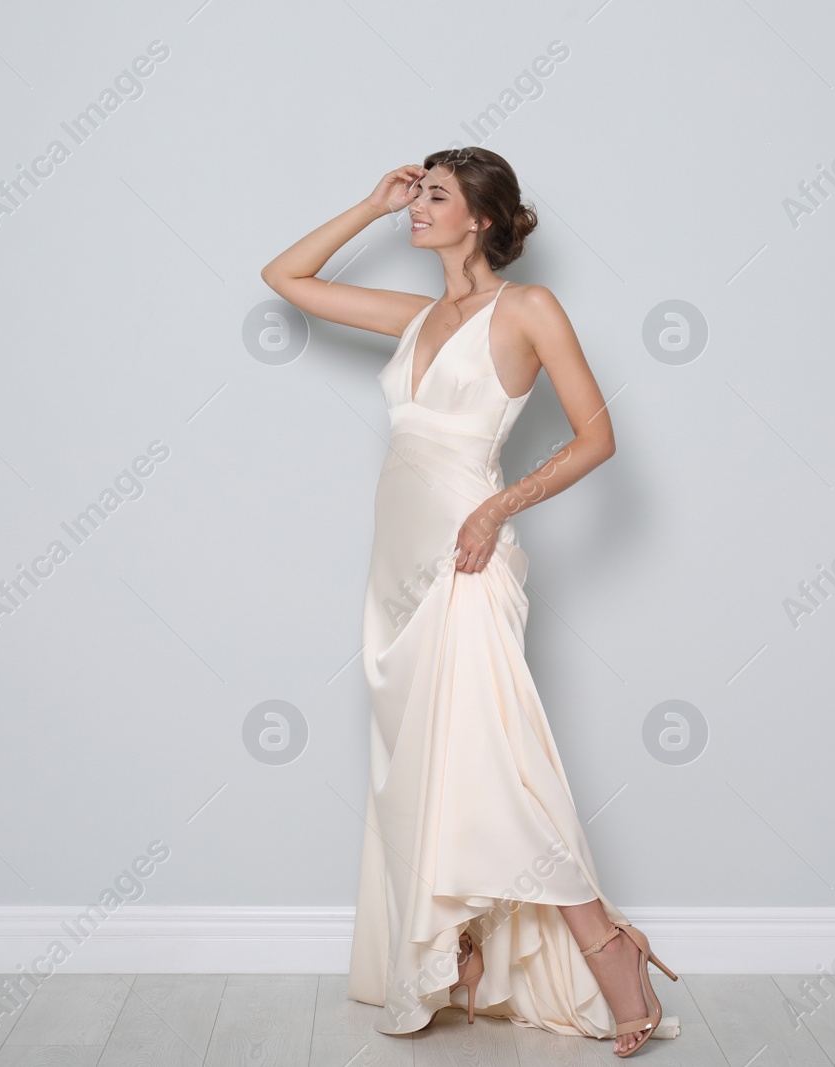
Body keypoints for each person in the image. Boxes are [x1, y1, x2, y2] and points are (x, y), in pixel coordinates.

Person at [260, 147, 678, 1057]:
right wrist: (370, 205)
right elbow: (284, 277)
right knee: (425, 770)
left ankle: (610, 950)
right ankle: (460, 956)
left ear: (481, 217)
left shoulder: (527, 309)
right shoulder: (415, 319)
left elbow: (597, 438)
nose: (417, 207)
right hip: (395, 571)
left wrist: (497, 505)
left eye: (433, 197)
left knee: (498, 763)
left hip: (465, 557)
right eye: (416, 195)